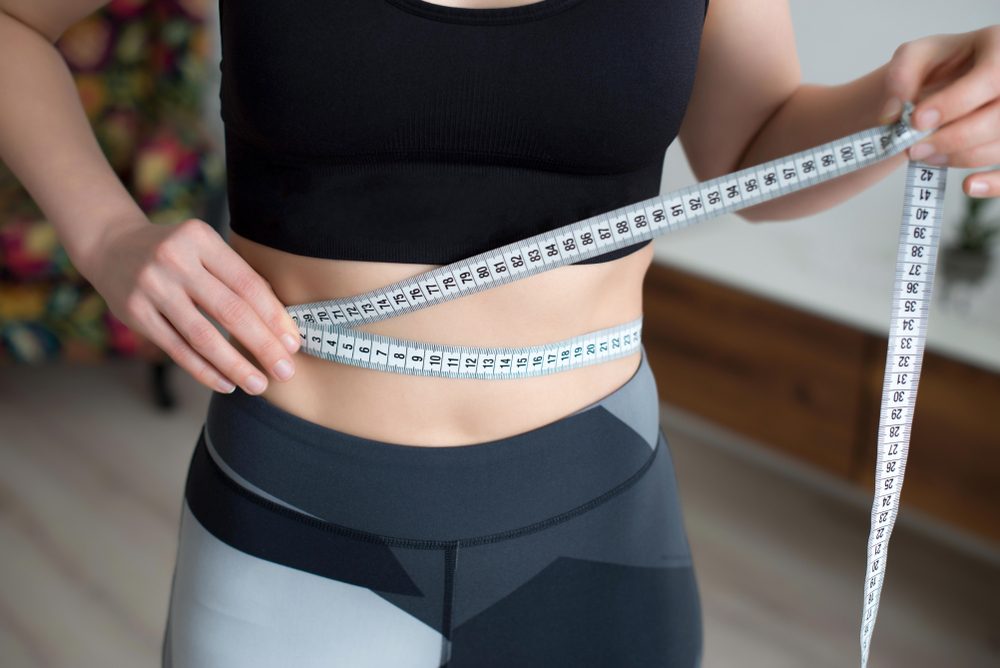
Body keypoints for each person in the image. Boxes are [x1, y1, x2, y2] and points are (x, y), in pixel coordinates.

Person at [1, 0, 997, 665]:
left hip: (598, 512)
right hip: (294, 509)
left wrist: (913, 106)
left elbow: (753, 137)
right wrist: (107, 234)